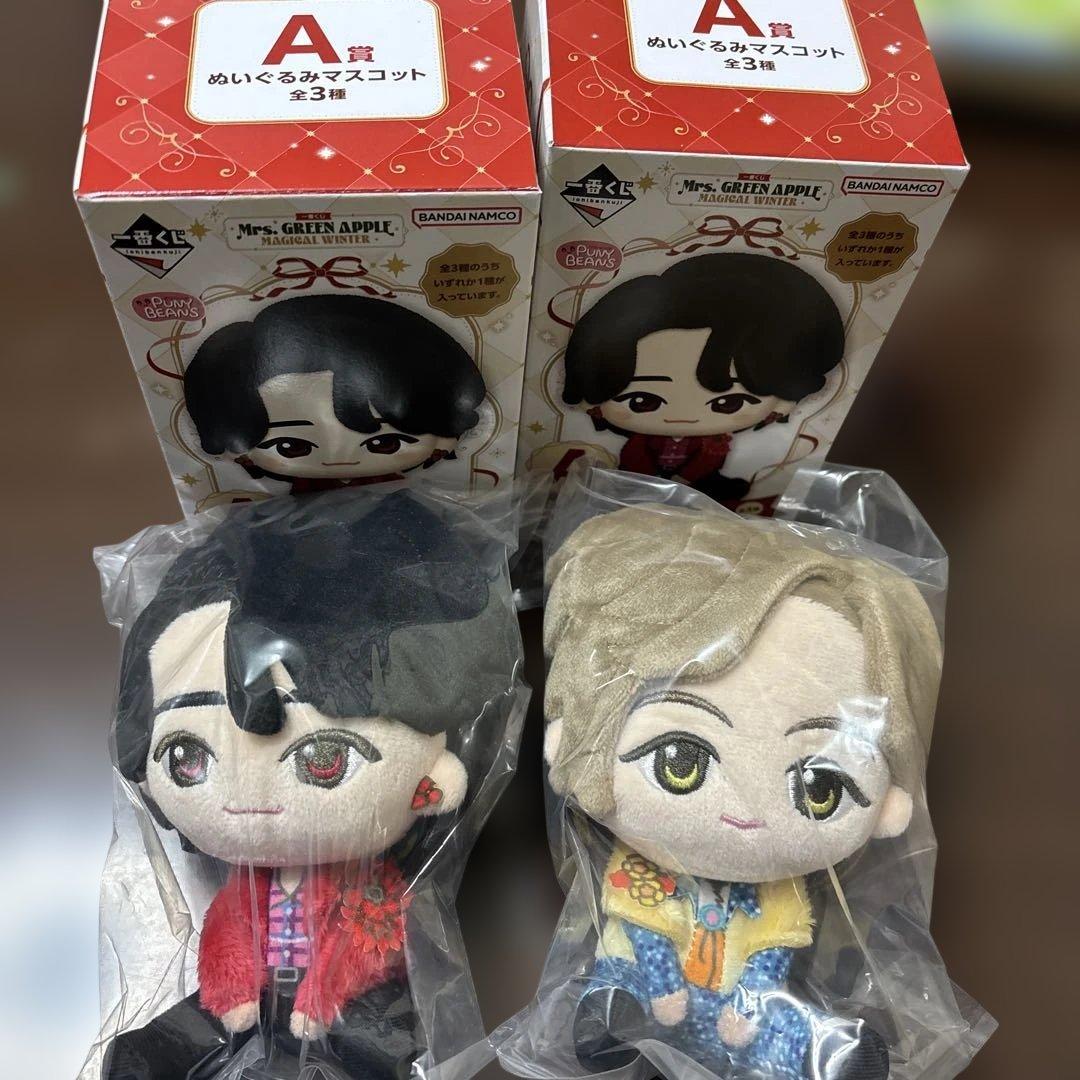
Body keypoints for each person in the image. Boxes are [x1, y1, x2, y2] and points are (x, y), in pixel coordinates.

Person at [103, 491, 517, 1080]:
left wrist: (324, 995)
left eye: (325, 759)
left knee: (379, 1046)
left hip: (350, 1003)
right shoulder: (246, 887)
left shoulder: (370, 885)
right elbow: (227, 931)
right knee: (155, 1053)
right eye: (189, 758)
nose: (249, 802)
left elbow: (375, 945)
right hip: (261, 1000)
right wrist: (233, 989)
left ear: (434, 775)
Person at [542, 504, 942, 1078]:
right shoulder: (638, 873)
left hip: (736, 1007)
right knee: (617, 978)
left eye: (820, 787)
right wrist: (663, 990)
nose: (743, 814)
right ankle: (613, 1023)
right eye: (680, 762)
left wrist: (748, 1008)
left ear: (887, 808)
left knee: (783, 1027)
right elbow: (644, 930)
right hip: (652, 987)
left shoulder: (779, 893)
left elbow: (771, 954)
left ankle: (825, 1055)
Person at [561, 254, 845, 502]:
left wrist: (686, 480)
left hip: (718, 500)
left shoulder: (714, 442)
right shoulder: (642, 439)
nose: (681, 417)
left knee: (711, 479)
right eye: (642, 400)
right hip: (637, 482)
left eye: (729, 403)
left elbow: (709, 460)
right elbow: (635, 456)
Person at [184, 295, 486, 493]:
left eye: (384, 443)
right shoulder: (262, 526)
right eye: (291, 446)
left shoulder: (416, 513)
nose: (340, 461)